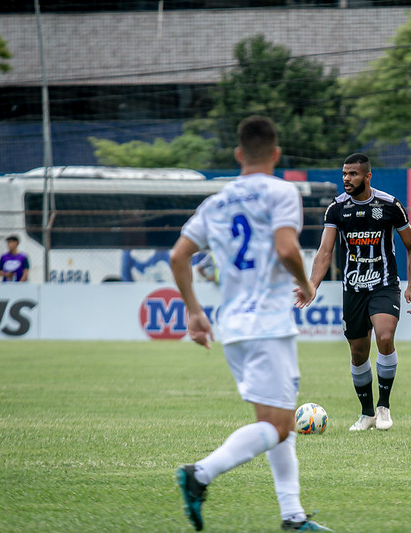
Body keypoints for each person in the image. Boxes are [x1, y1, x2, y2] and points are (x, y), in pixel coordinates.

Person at [169, 116, 331, 532]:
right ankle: (200, 474)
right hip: (268, 325)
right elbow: (286, 247)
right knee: (278, 425)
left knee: (277, 420)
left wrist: (193, 311)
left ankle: (293, 516)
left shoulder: (216, 202)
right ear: (276, 154)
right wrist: (305, 282)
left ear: (239, 154)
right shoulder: (282, 191)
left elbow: (178, 256)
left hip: (235, 327)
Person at [295, 153, 411, 432]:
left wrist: (410, 286)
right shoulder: (336, 209)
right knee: (358, 353)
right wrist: (312, 284)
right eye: (344, 174)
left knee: (385, 336)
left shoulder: (389, 205)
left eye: (352, 174)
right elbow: (325, 251)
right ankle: (366, 414)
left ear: (367, 176)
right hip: (353, 288)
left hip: (384, 283)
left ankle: (383, 407)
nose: (346, 179)